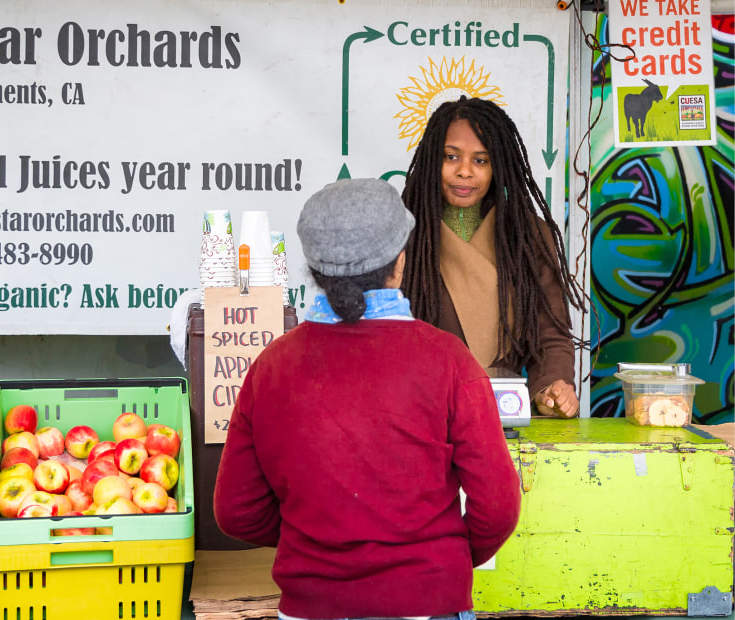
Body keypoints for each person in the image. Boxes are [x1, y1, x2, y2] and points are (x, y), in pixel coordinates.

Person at [213, 178, 521, 620]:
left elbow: (236, 512)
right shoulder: (449, 360)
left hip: (311, 606)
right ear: (399, 262)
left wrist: (316, 542)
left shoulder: (271, 367)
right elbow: (498, 505)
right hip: (429, 601)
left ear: (315, 270)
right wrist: (441, 560)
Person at [401, 96, 585, 418]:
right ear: (433, 159)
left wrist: (550, 388)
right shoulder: (404, 232)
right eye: (451, 157)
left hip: (500, 416)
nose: (464, 172)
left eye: (480, 161)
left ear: (498, 166)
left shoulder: (526, 236)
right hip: (419, 413)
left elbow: (551, 336)